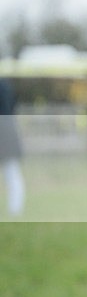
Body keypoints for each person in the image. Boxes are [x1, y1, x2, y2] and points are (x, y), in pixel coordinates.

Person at [0, 78, 24, 217]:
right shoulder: (7, 87)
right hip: (9, 131)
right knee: (12, 173)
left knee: (12, 172)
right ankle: (15, 210)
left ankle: (15, 210)